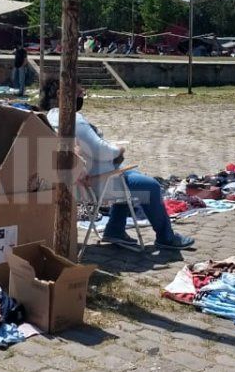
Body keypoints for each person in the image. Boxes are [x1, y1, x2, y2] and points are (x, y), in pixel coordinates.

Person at [39, 81, 194, 250]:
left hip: (81, 184)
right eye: (79, 91)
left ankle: (115, 229)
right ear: (63, 94)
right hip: (98, 184)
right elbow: (101, 150)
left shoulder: (49, 118)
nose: (82, 94)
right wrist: (119, 149)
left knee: (133, 176)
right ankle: (166, 237)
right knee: (152, 186)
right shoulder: (73, 119)